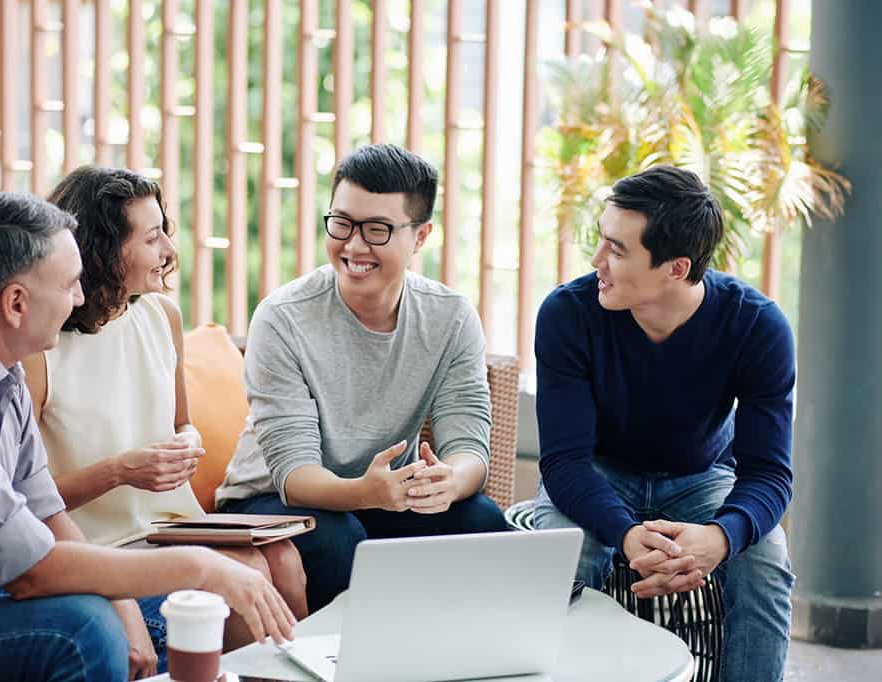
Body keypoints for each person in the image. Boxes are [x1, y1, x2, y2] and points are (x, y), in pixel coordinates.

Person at [0, 192, 295, 682]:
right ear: (16, 302)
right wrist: (200, 566)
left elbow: (46, 511)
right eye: (69, 285)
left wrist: (124, 603)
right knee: (82, 628)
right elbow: (29, 569)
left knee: (143, 611)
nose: (80, 298)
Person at [23, 166, 307, 671]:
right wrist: (122, 471)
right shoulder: (42, 348)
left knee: (282, 560)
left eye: (165, 233)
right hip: (97, 544)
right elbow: (25, 500)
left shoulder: (160, 315)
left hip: (170, 527)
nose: (170, 252)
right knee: (248, 578)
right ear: (104, 250)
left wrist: (187, 442)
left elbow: (182, 421)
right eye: (152, 238)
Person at [216, 144, 509, 612]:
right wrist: (365, 493)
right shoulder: (282, 318)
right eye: (342, 223)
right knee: (339, 537)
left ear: (420, 237)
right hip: (271, 502)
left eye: (377, 230)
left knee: (482, 521)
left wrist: (448, 482)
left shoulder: (450, 318)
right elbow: (294, 475)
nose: (353, 246)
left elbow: (470, 446)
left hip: (385, 497)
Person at [533, 166, 795, 681]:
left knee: (765, 563)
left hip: (701, 479)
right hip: (596, 473)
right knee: (562, 558)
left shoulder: (758, 327)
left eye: (618, 250)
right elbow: (564, 461)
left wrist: (721, 537)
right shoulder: (568, 314)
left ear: (676, 268)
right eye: (601, 241)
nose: (596, 261)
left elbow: (769, 474)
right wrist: (627, 534)